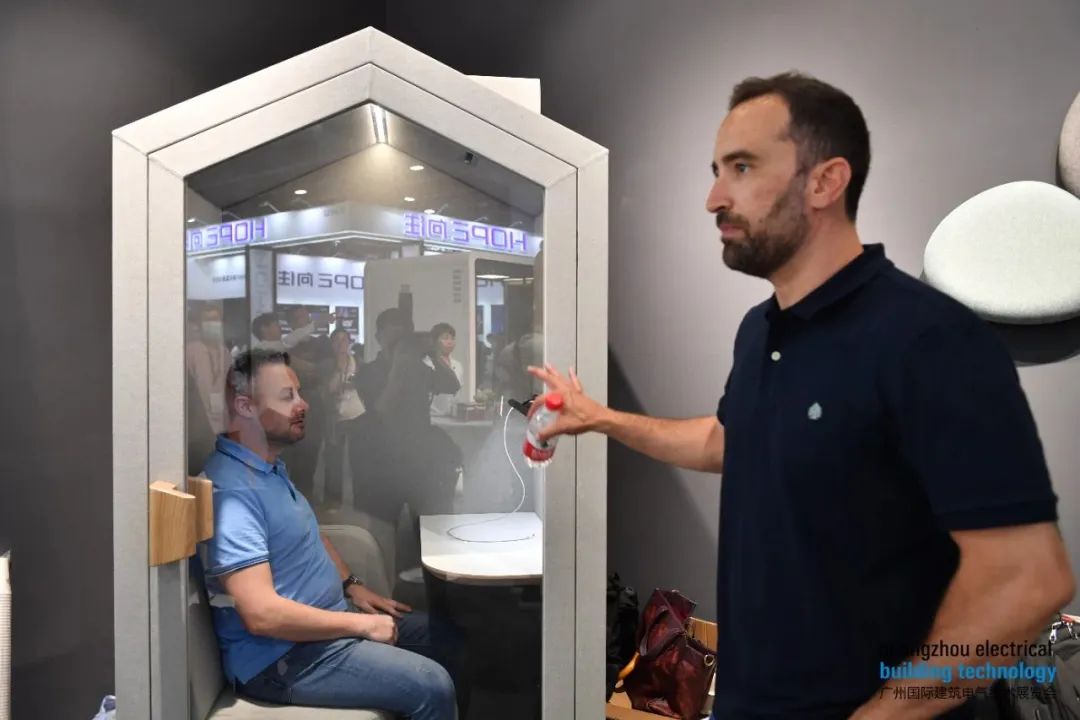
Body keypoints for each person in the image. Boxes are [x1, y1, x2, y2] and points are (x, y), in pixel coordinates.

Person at [528, 72, 1075, 719]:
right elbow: (727, 439)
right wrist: (599, 417)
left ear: (825, 181)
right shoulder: (759, 330)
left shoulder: (930, 338)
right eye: (716, 171)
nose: (713, 198)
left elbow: (1028, 580)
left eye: (741, 168)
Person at [199, 349, 460, 718]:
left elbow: (309, 532)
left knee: (449, 638)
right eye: (287, 396)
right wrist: (361, 624)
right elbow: (261, 614)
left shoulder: (266, 467)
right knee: (430, 684)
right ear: (245, 407)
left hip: (324, 626)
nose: (303, 404)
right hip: (282, 658)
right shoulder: (233, 491)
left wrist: (352, 584)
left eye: (299, 393)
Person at [277, 305, 334, 500]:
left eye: (306, 317)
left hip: (314, 405)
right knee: (288, 454)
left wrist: (298, 365)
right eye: (299, 317)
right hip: (287, 405)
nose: (305, 321)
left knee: (311, 452)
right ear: (291, 322)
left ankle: (305, 497)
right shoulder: (284, 345)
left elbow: (325, 370)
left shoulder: (323, 343)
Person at [324, 328, 366, 510]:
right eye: (337, 340)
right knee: (334, 460)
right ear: (331, 344)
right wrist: (339, 370)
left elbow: (366, 386)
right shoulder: (327, 364)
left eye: (344, 340)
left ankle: (360, 501)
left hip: (358, 414)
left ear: (349, 342)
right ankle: (333, 501)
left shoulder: (359, 362)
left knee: (359, 458)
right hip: (335, 417)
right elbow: (329, 389)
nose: (341, 344)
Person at [185, 303, 232, 434]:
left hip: (223, 422)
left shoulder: (225, 353)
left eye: (216, 319)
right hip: (199, 423)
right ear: (199, 325)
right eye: (208, 320)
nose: (213, 324)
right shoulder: (190, 351)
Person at [424, 323, 465, 417]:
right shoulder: (426, 363)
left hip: (453, 417)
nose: (450, 342)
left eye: (452, 338)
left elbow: (459, 393)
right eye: (445, 338)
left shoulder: (458, 365)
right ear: (434, 341)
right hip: (432, 417)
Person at [251, 311, 322, 352]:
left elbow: (296, 335)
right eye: (276, 325)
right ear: (264, 329)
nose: (280, 327)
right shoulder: (265, 349)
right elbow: (296, 336)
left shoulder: (279, 345)